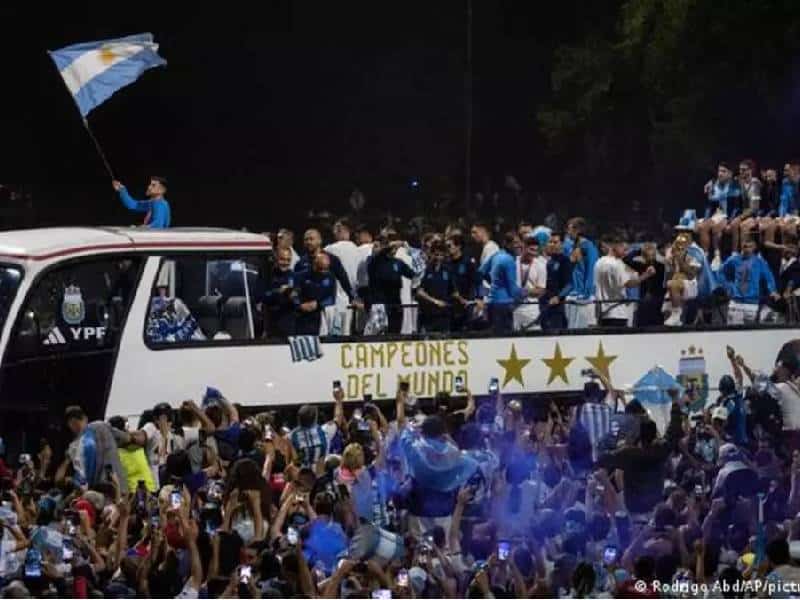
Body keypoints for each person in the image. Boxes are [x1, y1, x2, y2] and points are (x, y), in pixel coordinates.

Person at [295, 228, 359, 335]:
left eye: (311, 239)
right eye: (306, 240)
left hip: (327, 308)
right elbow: (296, 286)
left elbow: (343, 279)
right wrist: (299, 304)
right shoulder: (301, 263)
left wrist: (352, 297)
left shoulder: (332, 259)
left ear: (319, 240)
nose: (308, 242)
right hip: (307, 310)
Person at [478, 232, 537, 334]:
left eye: (520, 242)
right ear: (507, 244)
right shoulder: (508, 260)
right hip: (504, 305)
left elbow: (480, 272)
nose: (519, 245)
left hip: (492, 303)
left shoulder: (496, 254)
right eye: (515, 243)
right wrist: (528, 292)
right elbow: (513, 290)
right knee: (505, 338)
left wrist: (493, 283)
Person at [64, 405, 132, 493]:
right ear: (85, 418)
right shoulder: (101, 425)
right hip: (119, 485)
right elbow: (127, 438)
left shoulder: (74, 447)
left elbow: (81, 479)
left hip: (98, 492)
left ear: (70, 425)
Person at [594, 235, 656, 328]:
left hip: (601, 312)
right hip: (617, 312)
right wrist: (646, 275)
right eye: (624, 249)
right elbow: (629, 284)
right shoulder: (617, 264)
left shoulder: (598, 262)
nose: (625, 253)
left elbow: (628, 273)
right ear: (615, 246)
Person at [365, 229, 417, 335]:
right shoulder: (374, 261)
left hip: (395, 302)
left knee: (395, 332)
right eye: (392, 247)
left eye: (396, 248)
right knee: (377, 333)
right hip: (379, 304)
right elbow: (381, 254)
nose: (395, 249)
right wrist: (390, 245)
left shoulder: (398, 263)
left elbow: (414, 274)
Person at [720, 237, 779, 325]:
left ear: (754, 247)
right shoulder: (733, 260)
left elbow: (769, 278)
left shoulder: (760, 262)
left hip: (752, 303)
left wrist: (772, 290)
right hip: (736, 302)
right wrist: (728, 286)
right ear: (741, 247)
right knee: (733, 331)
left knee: (750, 331)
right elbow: (721, 272)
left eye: (750, 247)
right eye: (745, 247)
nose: (747, 249)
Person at [697, 162, 741, 263]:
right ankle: (704, 256)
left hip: (728, 215)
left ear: (730, 174)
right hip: (717, 215)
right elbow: (709, 205)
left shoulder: (735, 185)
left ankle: (717, 256)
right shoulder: (713, 185)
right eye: (719, 171)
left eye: (723, 171)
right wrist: (706, 218)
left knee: (716, 226)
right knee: (703, 227)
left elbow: (736, 207)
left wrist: (730, 221)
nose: (720, 174)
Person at [325, 219, 361, 335]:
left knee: (336, 334)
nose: (334, 233)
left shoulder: (331, 249)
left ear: (340, 230)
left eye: (335, 230)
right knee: (351, 332)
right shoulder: (358, 250)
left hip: (337, 298)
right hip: (356, 298)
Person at [563, 217, 599, 329]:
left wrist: (587, 293)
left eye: (569, 229)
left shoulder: (589, 247)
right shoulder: (572, 246)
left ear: (577, 230)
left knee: (585, 331)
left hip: (584, 297)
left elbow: (591, 271)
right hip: (573, 295)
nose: (567, 232)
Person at [416, 240, 456, 332]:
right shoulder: (426, 269)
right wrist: (435, 301)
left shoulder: (448, 270)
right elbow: (420, 291)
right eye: (436, 254)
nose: (438, 257)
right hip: (428, 314)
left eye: (441, 255)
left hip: (444, 314)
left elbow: (453, 291)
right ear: (432, 254)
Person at [623, 241, 666, 326]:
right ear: (643, 256)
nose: (650, 257)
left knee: (657, 326)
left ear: (655, 255)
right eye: (646, 255)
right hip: (643, 302)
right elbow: (625, 260)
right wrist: (639, 250)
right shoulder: (640, 265)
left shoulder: (662, 266)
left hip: (657, 302)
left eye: (652, 255)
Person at [512, 234, 547, 331]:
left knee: (534, 339)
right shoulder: (512, 263)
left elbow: (541, 290)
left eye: (536, 250)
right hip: (513, 309)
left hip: (531, 310)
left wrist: (526, 291)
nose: (533, 253)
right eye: (531, 249)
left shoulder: (541, 266)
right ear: (523, 247)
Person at [447, 233, 480, 331]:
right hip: (451, 305)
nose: (448, 248)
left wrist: (479, 298)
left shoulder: (468, 262)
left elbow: (477, 281)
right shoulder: (446, 263)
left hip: (466, 304)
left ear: (458, 246)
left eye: (450, 246)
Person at [263, 247, 299, 337]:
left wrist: (294, 297)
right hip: (271, 324)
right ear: (276, 258)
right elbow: (261, 297)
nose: (285, 263)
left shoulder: (295, 277)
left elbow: (299, 301)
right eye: (282, 259)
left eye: (288, 260)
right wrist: (279, 292)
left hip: (288, 325)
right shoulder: (267, 276)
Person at [540, 233, 573, 330]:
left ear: (561, 244)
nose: (552, 244)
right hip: (545, 305)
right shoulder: (548, 261)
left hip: (557, 306)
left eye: (555, 242)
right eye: (550, 242)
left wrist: (558, 297)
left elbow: (570, 284)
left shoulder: (564, 260)